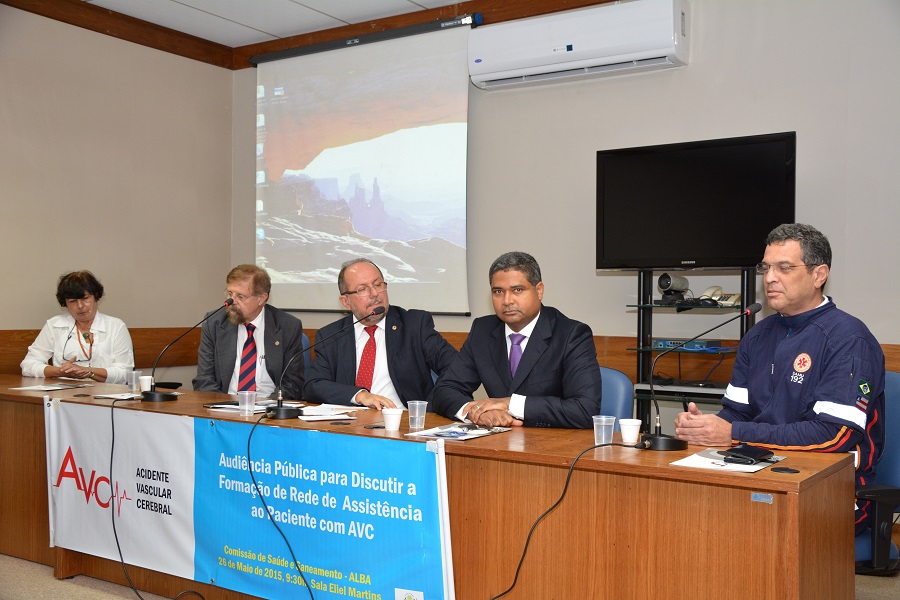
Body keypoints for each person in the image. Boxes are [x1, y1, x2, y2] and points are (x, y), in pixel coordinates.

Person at [674, 223, 885, 533]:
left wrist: (732, 433)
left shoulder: (848, 338)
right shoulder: (758, 335)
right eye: (766, 267)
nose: (770, 278)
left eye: (784, 268)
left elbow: (834, 436)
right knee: (683, 509)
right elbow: (737, 413)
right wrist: (705, 427)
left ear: (819, 274)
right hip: (760, 473)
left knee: (733, 528)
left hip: (835, 491)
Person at [432, 251, 602, 428]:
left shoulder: (571, 335)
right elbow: (445, 390)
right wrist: (476, 412)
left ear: (539, 291)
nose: (507, 301)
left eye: (517, 290)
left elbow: (585, 409)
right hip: (498, 440)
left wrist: (509, 404)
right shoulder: (482, 331)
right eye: (498, 291)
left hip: (552, 440)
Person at [302, 258, 457, 409]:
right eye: (362, 289)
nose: (375, 293)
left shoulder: (414, 325)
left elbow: (456, 367)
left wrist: (428, 408)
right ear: (346, 301)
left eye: (378, 284)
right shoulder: (331, 336)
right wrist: (359, 395)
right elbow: (313, 385)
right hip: (351, 422)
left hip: (402, 420)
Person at [192, 264, 305, 399]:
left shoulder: (288, 326)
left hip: (269, 406)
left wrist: (269, 406)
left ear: (261, 298)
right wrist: (224, 405)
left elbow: (293, 383)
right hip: (224, 404)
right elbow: (204, 380)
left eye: (240, 296)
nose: (231, 301)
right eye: (230, 293)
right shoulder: (214, 323)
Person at [21, 271, 134, 384]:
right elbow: (28, 365)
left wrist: (89, 372)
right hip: (64, 391)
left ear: (96, 297)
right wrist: (61, 371)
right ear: (65, 303)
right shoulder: (54, 325)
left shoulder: (116, 326)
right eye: (73, 301)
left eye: (85, 298)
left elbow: (125, 373)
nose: (80, 306)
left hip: (106, 392)